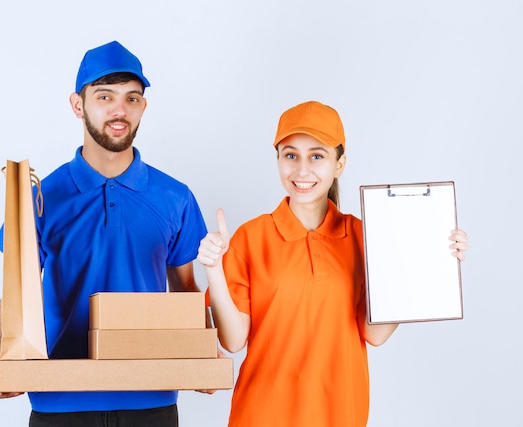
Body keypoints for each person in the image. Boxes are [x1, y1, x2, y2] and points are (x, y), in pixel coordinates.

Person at [0, 40, 209, 427]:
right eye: (105, 96)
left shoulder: (175, 197)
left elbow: (185, 291)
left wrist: (204, 350)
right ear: (78, 105)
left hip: (150, 401)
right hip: (60, 401)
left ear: (143, 108)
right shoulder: (38, 196)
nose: (120, 110)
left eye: (132, 99)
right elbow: (16, 294)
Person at [196, 100, 469, 427]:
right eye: (290, 155)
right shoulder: (251, 237)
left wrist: (424, 258)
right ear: (279, 160)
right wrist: (213, 268)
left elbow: (375, 333)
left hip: (340, 413)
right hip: (261, 413)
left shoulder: (363, 236)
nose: (301, 170)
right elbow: (234, 340)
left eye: (317, 156)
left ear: (339, 164)